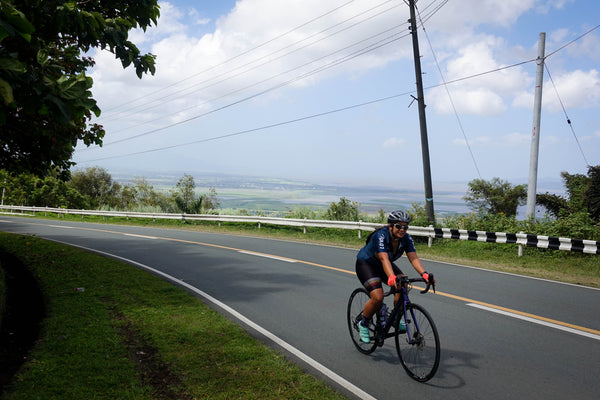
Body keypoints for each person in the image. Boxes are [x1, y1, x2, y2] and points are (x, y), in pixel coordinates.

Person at [355, 209, 434, 343]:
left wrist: (424, 274)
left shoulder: (406, 238)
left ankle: (396, 318)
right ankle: (363, 323)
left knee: (403, 283)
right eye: (399, 226)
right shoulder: (381, 236)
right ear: (390, 226)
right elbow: (384, 258)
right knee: (378, 297)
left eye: (405, 227)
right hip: (367, 264)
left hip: (384, 265)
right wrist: (391, 276)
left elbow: (413, 258)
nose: (402, 229)